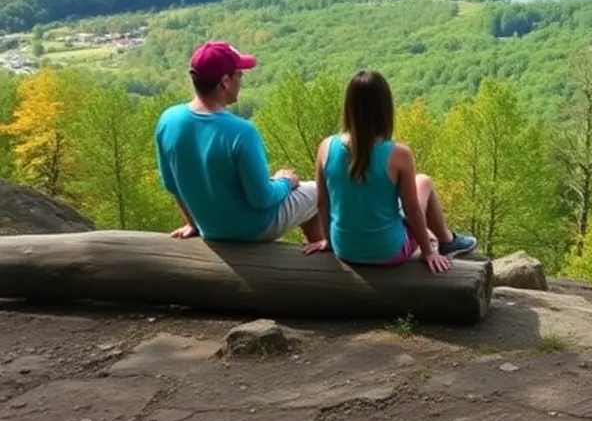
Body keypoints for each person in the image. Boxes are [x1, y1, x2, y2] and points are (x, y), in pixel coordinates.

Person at [155, 41, 327, 253]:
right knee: (318, 191)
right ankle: (321, 257)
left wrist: (193, 224)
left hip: (210, 228)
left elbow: (172, 184)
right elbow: (262, 199)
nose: (241, 80)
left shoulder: (168, 120)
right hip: (253, 228)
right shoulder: (241, 132)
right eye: (239, 74)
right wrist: (285, 182)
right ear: (225, 81)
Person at [316, 69, 476, 273]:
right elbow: (412, 210)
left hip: (344, 249)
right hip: (388, 251)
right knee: (424, 181)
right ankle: (446, 241)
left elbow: (322, 201)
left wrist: (328, 241)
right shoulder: (399, 155)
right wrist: (428, 252)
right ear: (385, 108)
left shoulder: (326, 147)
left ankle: (445, 239)